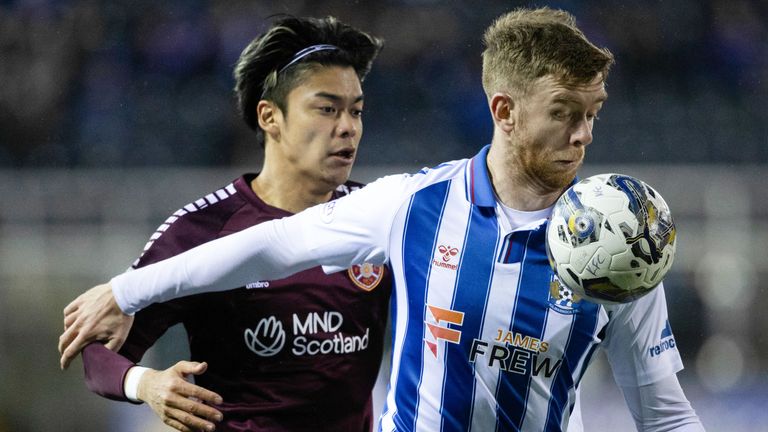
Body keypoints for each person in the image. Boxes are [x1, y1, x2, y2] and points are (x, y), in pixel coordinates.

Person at [60, 7, 705, 431]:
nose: (584, 134)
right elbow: (271, 244)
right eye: (567, 111)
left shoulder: (623, 247)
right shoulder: (409, 208)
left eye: (594, 113)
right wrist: (128, 307)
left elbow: (665, 415)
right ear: (504, 110)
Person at [65, 16, 392, 432]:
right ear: (270, 117)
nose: (348, 127)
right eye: (327, 109)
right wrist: (145, 383)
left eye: (356, 111)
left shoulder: (375, 216)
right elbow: (98, 352)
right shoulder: (202, 229)